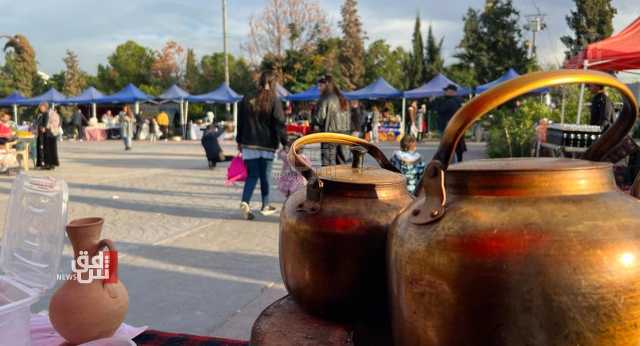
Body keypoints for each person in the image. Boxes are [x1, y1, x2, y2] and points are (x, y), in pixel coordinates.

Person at [236, 70, 287, 220]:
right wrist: (285, 142)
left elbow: (240, 121)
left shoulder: (247, 98)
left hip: (249, 143)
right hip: (267, 145)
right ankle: (265, 205)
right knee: (266, 175)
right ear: (273, 83)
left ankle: (245, 202)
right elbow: (279, 123)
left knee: (252, 175)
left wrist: (239, 140)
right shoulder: (274, 100)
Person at [315, 74, 351, 165]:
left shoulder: (325, 98)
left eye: (320, 85)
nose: (318, 88)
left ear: (326, 84)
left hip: (329, 135)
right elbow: (348, 118)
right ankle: (342, 179)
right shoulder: (342, 98)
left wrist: (314, 120)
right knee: (342, 162)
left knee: (327, 164)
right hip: (344, 135)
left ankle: (328, 180)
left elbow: (320, 118)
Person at [434, 84, 466, 162]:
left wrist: (434, 102)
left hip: (449, 127)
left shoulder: (450, 101)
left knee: (448, 147)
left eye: (446, 90)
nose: (444, 92)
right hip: (458, 126)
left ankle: (451, 164)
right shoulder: (460, 100)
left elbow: (440, 110)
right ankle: (458, 162)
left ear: (452, 91)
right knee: (458, 145)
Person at [35, 102, 60, 170]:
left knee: (50, 150)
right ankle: (44, 164)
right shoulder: (40, 114)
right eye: (40, 108)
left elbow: (55, 123)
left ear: (45, 107)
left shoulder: (52, 114)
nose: (40, 109)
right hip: (42, 135)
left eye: (41, 107)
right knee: (43, 150)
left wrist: (46, 128)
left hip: (50, 134)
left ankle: (51, 165)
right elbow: (38, 123)